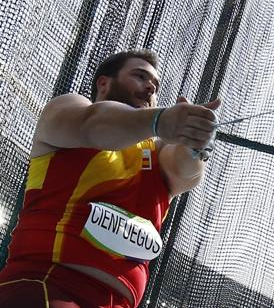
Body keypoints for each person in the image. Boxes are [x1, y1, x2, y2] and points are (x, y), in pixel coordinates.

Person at [0, 49, 221, 307]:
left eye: (155, 85)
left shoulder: (157, 152)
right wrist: (159, 120)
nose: (150, 87)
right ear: (104, 83)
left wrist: (195, 144)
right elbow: (93, 124)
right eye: (140, 76)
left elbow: (186, 171)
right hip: (49, 286)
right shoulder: (70, 108)